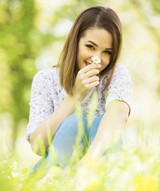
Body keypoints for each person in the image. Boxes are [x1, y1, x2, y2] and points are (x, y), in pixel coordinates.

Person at [25, 6, 132, 172]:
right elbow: (37, 146)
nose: (98, 59)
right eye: (90, 46)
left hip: (96, 170)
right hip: (54, 171)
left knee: (101, 122)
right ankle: (52, 184)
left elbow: (118, 115)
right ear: (75, 42)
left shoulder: (117, 74)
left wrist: (88, 162)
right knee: (75, 122)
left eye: (107, 52)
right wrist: (75, 95)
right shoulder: (46, 79)